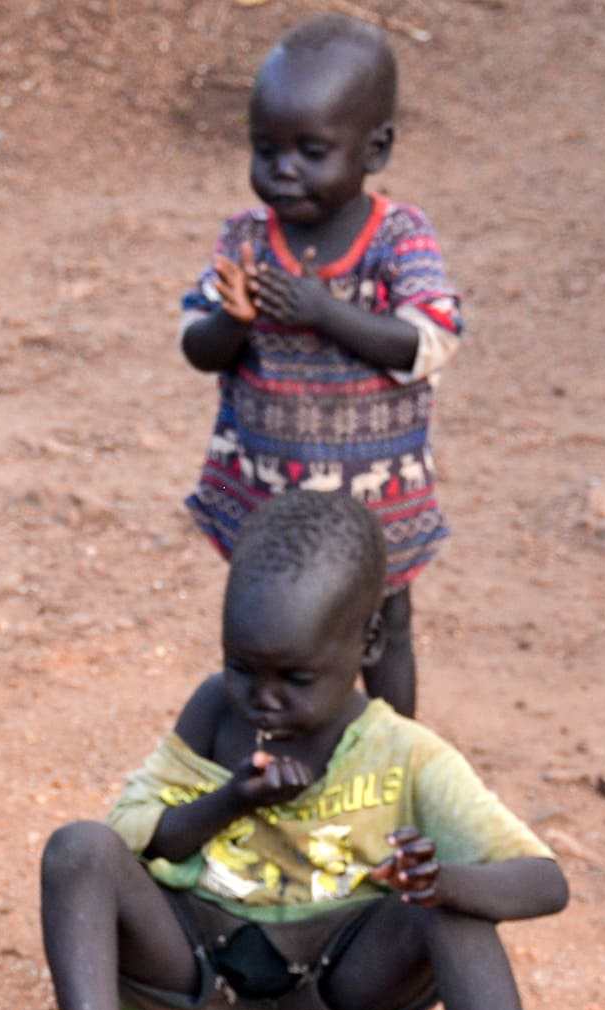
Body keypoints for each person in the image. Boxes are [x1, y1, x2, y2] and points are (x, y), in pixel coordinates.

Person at [38, 492, 605, 1010]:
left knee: (450, 910)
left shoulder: (403, 753)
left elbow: (545, 882)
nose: (264, 697)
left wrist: (442, 878)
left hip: (335, 1005)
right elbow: (133, 834)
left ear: (368, 641)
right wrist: (231, 799)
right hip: (198, 988)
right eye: (242, 667)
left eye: (295, 677)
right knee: (76, 849)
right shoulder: (217, 716)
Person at [179, 14, 463, 718]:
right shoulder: (245, 238)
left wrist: (320, 309)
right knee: (269, 639)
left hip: (376, 502)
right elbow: (197, 345)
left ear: (376, 148)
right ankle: (267, 764)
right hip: (268, 496)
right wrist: (235, 319)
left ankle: (396, 760)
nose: (284, 169)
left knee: (385, 631)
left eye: (312, 150)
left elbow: (429, 338)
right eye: (265, 148)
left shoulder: (398, 238)